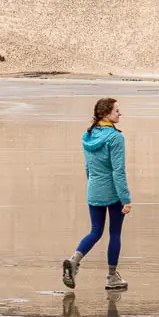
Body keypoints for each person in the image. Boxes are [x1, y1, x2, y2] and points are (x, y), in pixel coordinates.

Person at [63, 97, 132, 291]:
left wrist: (92, 185)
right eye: (117, 110)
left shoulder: (89, 134)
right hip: (113, 191)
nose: (120, 114)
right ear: (106, 114)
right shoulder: (115, 137)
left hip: (94, 188)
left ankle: (74, 260)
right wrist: (126, 199)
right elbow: (118, 172)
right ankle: (111, 277)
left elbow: (88, 167)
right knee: (115, 233)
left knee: (95, 231)